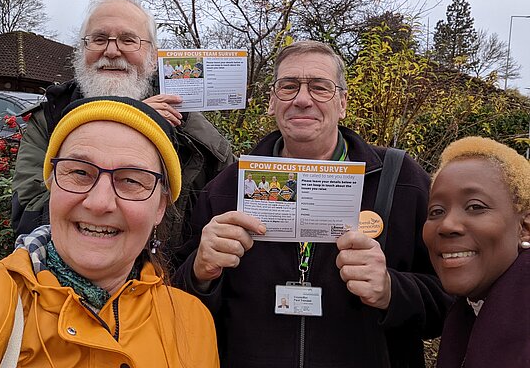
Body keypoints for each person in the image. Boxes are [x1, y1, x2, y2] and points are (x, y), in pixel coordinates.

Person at [174, 41, 452, 367]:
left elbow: (450, 300)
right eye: (288, 86)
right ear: (272, 102)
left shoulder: (400, 179)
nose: (303, 99)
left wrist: (392, 290)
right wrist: (200, 272)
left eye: (320, 87)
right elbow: (178, 305)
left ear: (343, 103)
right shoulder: (226, 188)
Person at [0, 97, 219, 367]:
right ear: (51, 184)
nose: (99, 202)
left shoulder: (193, 323)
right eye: (79, 173)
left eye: (131, 180)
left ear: (160, 207)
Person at [12, 0, 235, 251]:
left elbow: (226, 195)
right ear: (82, 50)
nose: (112, 50)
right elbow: (28, 215)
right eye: (99, 39)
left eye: (128, 40)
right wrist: (131, 117)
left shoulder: (183, 117)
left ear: (153, 57)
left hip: (170, 282)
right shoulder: (49, 117)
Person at [422, 137, 530, 368]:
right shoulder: (469, 311)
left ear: (525, 228)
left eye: (475, 207)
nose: (447, 225)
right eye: (436, 211)